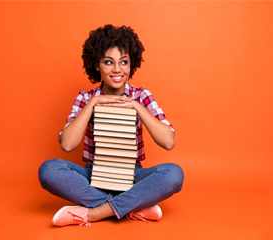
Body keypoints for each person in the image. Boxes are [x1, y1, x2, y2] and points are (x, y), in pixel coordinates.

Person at [38, 24, 184, 227]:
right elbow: (67, 144)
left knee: (174, 174)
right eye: (108, 62)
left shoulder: (141, 96)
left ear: (131, 64)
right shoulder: (86, 98)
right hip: (93, 174)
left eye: (124, 62)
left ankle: (94, 213)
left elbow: (168, 142)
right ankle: (133, 206)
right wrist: (93, 104)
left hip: (132, 174)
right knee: (49, 170)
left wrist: (137, 107)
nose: (117, 70)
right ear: (96, 65)